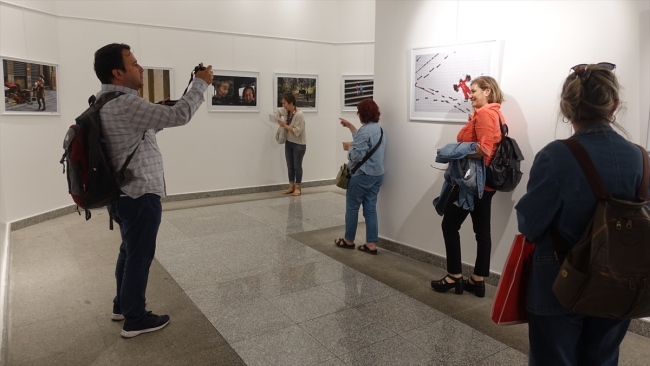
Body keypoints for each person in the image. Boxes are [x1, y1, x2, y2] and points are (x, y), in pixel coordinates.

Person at [515, 63, 647, 365]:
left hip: (560, 281)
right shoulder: (641, 158)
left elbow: (530, 226)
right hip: (621, 282)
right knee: (602, 359)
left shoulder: (555, 155)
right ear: (613, 105)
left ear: (566, 108)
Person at [93, 43, 213, 338]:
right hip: (140, 194)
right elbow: (181, 116)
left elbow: (135, 134)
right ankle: (135, 318)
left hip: (121, 195)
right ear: (118, 72)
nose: (141, 68)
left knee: (129, 250)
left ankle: (122, 306)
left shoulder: (104, 100)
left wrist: (155, 114)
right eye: (134, 63)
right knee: (140, 256)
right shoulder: (126, 104)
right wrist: (201, 83)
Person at [430, 76, 505, 297]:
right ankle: (477, 280)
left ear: (488, 91)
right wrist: (473, 123)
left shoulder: (485, 114)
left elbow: (484, 149)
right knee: (482, 232)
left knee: (449, 226)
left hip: (471, 184)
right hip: (486, 186)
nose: (469, 95)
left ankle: (454, 276)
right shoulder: (496, 113)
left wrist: (455, 152)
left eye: (474, 91)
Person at [334, 99, 386, 255]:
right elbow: (366, 141)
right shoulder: (379, 129)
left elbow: (357, 155)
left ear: (362, 114)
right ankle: (371, 244)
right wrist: (351, 127)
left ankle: (348, 240)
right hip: (377, 175)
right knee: (370, 209)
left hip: (362, 176)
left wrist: (349, 148)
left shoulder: (365, 131)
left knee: (352, 208)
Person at [276, 93, 306, 196]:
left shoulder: (299, 115)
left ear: (291, 102)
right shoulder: (286, 110)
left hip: (299, 144)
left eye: (285, 103)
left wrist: (284, 125)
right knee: (290, 166)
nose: (283, 105)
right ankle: (291, 186)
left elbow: (297, 131)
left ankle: (298, 187)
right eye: (282, 103)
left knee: (297, 166)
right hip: (289, 143)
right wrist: (278, 117)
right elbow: (278, 111)